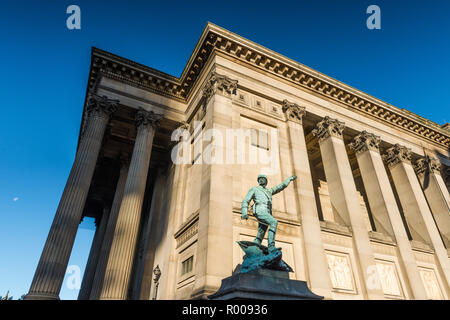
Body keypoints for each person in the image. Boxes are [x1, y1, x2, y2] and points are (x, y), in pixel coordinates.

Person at [241, 174, 297, 251]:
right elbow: (246, 200)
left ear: (266, 181)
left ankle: (257, 242)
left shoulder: (269, 191)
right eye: (259, 179)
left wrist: (289, 179)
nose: (261, 180)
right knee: (273, 222)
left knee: (262, 229)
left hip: (266, 211)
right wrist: (244, 212)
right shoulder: (254, 189)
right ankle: (271, 245)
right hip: (259, 210)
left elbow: (280, 187)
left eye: (263, 179)